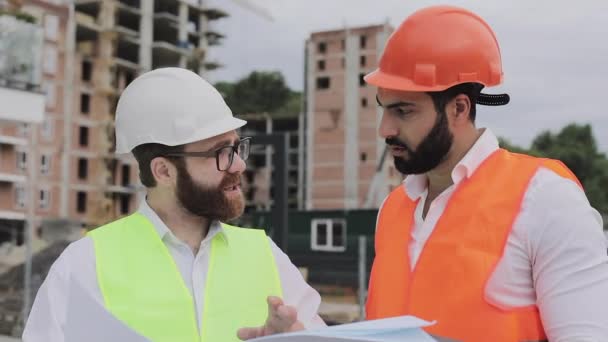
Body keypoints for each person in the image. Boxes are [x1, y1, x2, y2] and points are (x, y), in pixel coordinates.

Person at [23, 67, 325, 341]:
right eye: (220, 152)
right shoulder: (84, 264)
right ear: (164, 171)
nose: (239, 165)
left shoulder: (266, 256)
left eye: (236, 147)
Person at [364, 5, 608, 341]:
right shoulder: (392, 210)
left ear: (459, 108)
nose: (385, 129)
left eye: (402, 111)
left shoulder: (544, 199)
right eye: (383, 109)